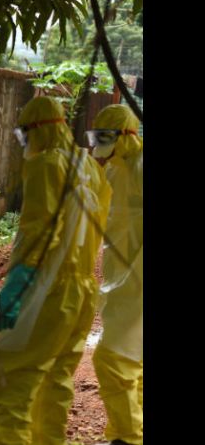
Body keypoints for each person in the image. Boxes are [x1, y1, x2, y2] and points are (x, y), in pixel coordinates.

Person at [0, 96, 112, 445]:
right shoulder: (89, 167)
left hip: (46, 289)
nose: (25, 145)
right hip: (82, 292)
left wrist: (17, 284)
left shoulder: (45, 165)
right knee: (55, 382)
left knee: (11, 378)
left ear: (37, 130)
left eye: (25, 136)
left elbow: (40, 230)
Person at [86, 105, 143, 445]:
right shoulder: (116, 170)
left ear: (125, 136)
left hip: (136, 282)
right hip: (121, 278)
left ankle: (127, 437)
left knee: (110, 358)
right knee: (131, 360)